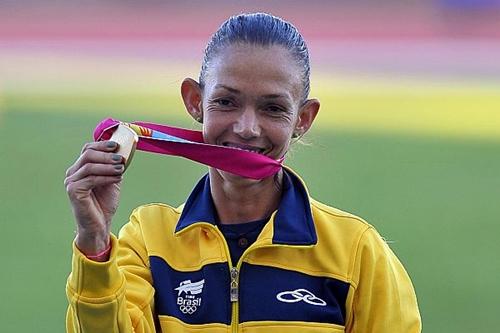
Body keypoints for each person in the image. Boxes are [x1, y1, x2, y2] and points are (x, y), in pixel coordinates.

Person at [64, 12, 421, 333]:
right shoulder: (150, 241)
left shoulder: (356, 252)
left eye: (273, 108)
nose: (247, 128)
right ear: (194, 101)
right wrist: (94, 241)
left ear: (303, 118)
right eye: (226, 102)